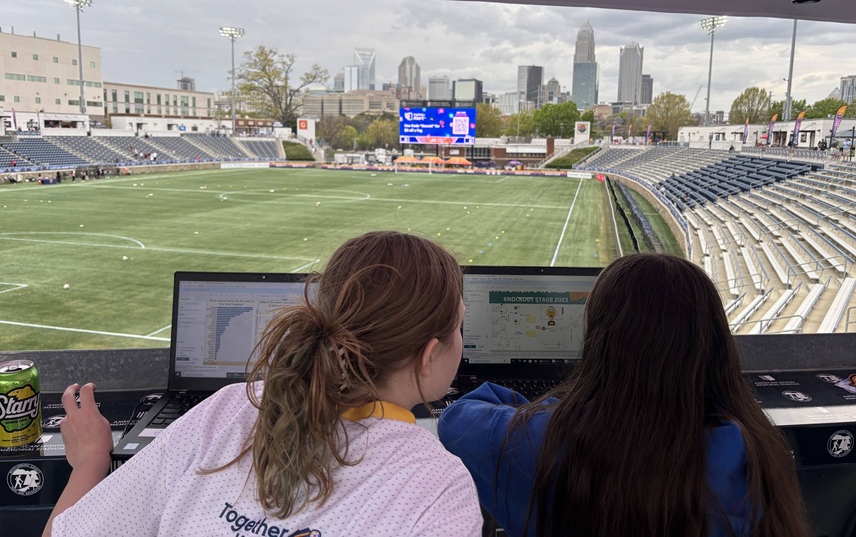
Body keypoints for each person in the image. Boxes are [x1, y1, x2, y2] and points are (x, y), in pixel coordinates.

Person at [44, 231, 482, 537]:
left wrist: (89, 463)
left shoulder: (229, 409)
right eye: (460, 325)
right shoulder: (439, 485)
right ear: (429, 355)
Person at [438, 254, 809, 537]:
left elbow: (458, 419)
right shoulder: (754, 450)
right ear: (713, 344)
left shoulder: (547, 440)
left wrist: (558, 409)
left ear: (602, 341)